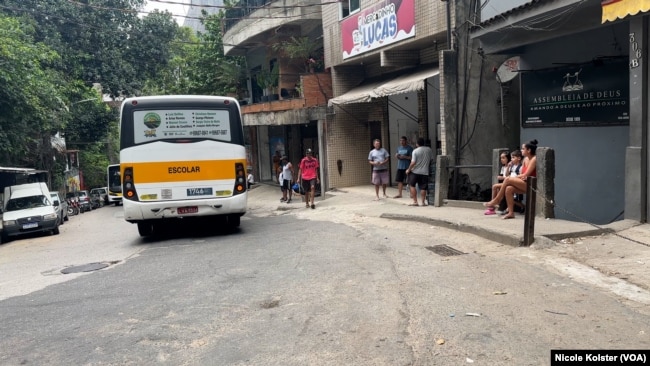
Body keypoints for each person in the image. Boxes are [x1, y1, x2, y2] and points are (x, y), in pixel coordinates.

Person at [483, 139, 539, 219]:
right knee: (509, 189)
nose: (521, 150)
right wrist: (518, 177)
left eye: (523, 149)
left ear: (529, 150)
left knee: (508, 179)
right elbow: (521, 175)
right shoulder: (525, 159)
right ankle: (511, 213)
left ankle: (497, 199)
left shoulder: (534, 159)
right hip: (522, 182)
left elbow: (526, 174)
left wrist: (514, 177)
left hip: (530, 184)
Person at [485, 150, 516, 215]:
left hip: (509, 182)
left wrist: (507, 169)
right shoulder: (503, 167)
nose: (501, 159)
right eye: (501, 158)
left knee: (495, 186)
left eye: (503, 158)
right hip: (504, 183)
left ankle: (493, 205)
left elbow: (510, 177)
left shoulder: (511, 166)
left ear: (508, 158)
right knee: (496, 187)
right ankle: (494, 205)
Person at [406, 137, 434, 206]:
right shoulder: (429, 150)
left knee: (412, 185)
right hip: (425, 172)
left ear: (417, 144)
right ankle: (423, 202)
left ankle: (415, 201)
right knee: (423, 187)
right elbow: (431, 160)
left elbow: (413, 162)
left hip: (415, 172)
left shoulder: (415, 151)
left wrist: (408, 170)